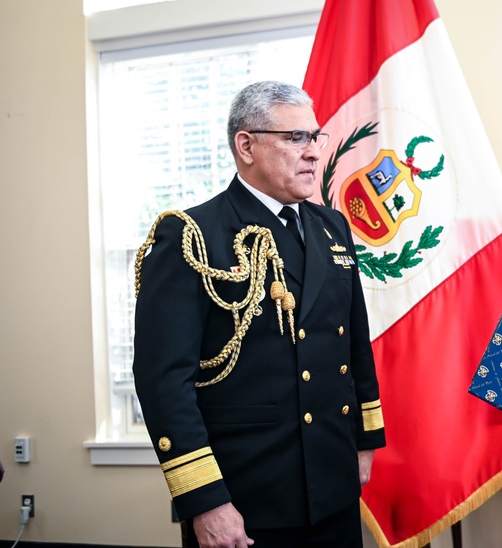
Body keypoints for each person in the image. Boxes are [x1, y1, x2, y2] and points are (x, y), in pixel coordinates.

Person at [133, 81, 385, 548]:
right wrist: (205, 501)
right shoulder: (191, 236)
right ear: (245, 145)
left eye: (315, 137)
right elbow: (163, 381)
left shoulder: (332, 226)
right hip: (246, 500)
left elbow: (353, 341)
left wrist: (364, 439)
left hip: (334, 487)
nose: (313, 153)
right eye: (295, 139)